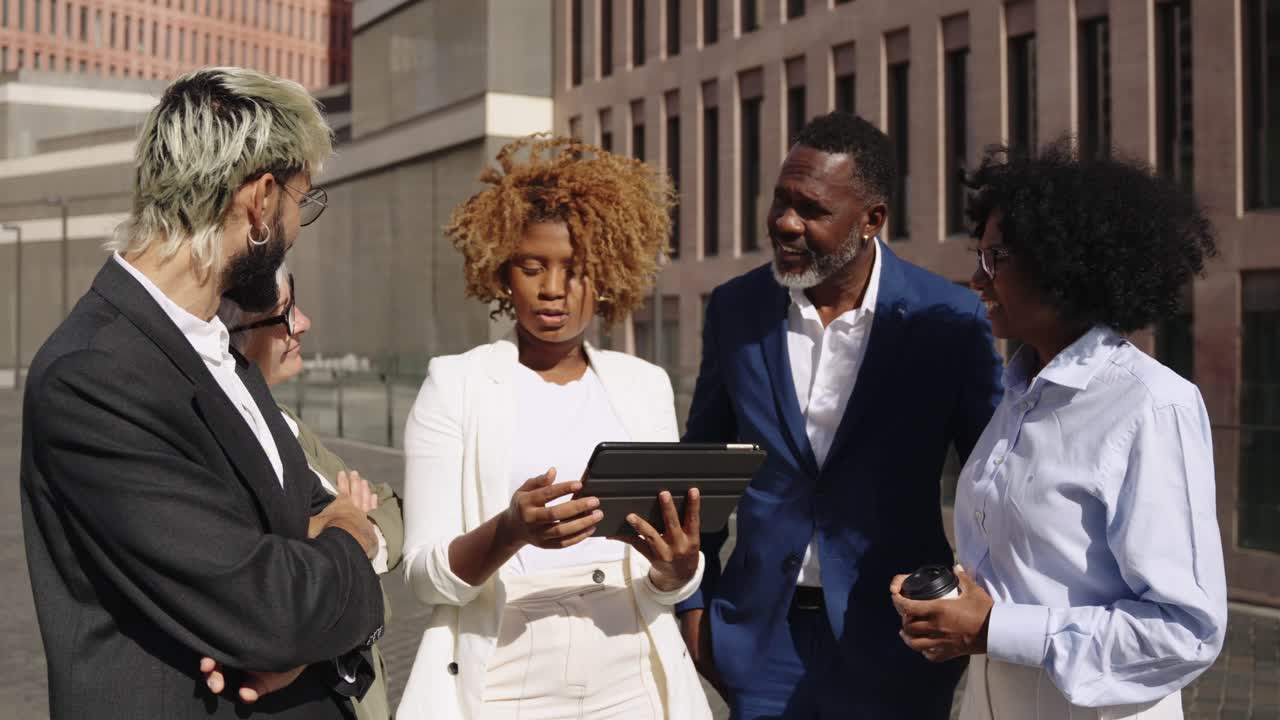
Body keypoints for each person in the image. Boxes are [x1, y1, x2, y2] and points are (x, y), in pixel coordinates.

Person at [20, 67, 384, 720]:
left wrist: (318, 560)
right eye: (303, 200)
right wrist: (349, 539)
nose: (301, 222)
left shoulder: (219, 350)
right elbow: (272, 607)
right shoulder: (94, 375)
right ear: (260, 201)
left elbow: (306, 524)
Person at [676, 111, 1005, 719]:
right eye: (779, 200)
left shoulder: (949, 319)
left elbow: (996, 476)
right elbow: (704, 470)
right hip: (759, 639)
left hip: (897, 643)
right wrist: (693, 611)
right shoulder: (736, 309)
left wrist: (974, 612)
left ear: (872, 220)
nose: (785, 222)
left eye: (811, 209)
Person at [891, 140, 1227, 719]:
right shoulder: (1018, 394)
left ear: (1060, 263)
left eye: (995, 257)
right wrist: (955, 610)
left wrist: (997, 626)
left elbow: (1186, 631)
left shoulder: (1151, 406)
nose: (977, 277)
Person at [397, 135, 712, 720]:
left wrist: (679, 567)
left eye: (576, 270)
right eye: (532, 266)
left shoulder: (645, 385)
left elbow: (667, 583)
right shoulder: (456, 384)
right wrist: (511, 531)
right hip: (506, 674)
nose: (552, 290)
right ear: (500, 272)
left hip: (632, 670)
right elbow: (424, 578)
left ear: (609, 273)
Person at [217, 265, 405, 720]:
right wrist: (347, 527)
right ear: (231, 333)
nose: (303, 323)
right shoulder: (228, 438)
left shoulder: (285, 423)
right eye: (284, 315)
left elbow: (389, 504)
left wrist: (349, 532)